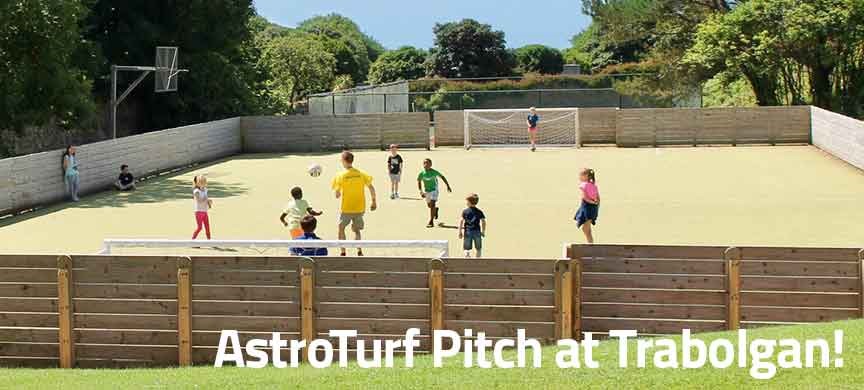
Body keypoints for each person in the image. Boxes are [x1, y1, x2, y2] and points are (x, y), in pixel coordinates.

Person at [331, 151, 377, 256]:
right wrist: (374, 201)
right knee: (356, 230)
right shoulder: (361, 174)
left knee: (341, 228)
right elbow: (371, 188)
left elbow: (337, 194)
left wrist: (338, 192)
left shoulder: (340, 175)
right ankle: (359, 250)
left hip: (346, 208)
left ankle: (343, 251)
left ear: (344, 161)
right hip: (360, 208)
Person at [417, 158, 452, 228]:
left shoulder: (434, 172)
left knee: (432, 204)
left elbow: (442, 177)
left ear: (431, 165)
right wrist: (421, 191)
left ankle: (431, 221)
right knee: (429, 205)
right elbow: (419, 181)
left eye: (428, 163)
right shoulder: (421, 173)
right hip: (427, 191)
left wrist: (448, 186)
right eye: (424, 163)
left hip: (434, 190)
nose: (426, 165)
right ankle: (435, 210)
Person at [574, 168, 600, 244]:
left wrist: (592, 202)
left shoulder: (583, 185)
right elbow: (598, 198)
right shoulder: (593, 185)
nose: (579, 177)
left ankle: (590, 244)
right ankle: (590, 243)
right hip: (593, 207)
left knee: (586, 228)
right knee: (586, 228)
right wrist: (596, 204)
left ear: (586, 176)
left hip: (587, 207)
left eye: (580, 175)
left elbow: (584, 197)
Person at [458, 193, 487, 258]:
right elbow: (483, 222)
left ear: (469, 202)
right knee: (478, 249)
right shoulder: (479, 211)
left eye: (467, 201)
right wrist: (483, 231)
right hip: (477, 231)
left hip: (468, 232)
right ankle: (478, 259)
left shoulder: (465, 211)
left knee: (466, 249)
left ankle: (467, 258)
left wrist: (460, 232)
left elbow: (461, 221)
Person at [192, 175, 213, 240]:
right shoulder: (196, 191)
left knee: (207, 227)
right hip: (198, 212)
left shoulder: (205, 190)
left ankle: (209, 241)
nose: (203, 183)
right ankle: (192, 240)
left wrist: (209, 203)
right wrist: (206, 200)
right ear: (197, 183)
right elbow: (199, 200)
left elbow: (206, 198)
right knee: (200, 227)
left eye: (204, 182)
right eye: (201, 182)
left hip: (204, 211)